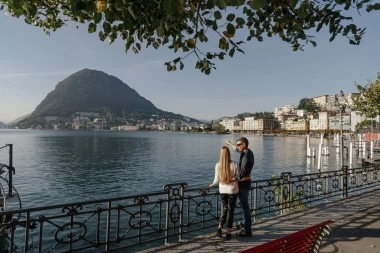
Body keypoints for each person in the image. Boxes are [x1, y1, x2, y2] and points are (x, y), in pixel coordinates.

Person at [226, 137, 254, 237]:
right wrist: (230, 143)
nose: (237, 146)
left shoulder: (246, 158)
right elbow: (237, 150)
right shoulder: (248, 152)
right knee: (244, 206)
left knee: (245, 207)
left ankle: (247, 230)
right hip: (245, 184)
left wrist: (231, 179)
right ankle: (244, 223)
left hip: (243, 185)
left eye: (239, 144)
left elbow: (241, 175)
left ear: (244, 145)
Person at [210, 146, 239, 240]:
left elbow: (216, 179)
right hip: (232, 190)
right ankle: (228, 232)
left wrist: (213, 184)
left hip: (222, 190)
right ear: (229, 154)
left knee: (225, 208)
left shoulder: (218, 165)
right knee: (231, 210)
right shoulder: (235, 164)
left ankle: (220, 227)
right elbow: (239, 177)